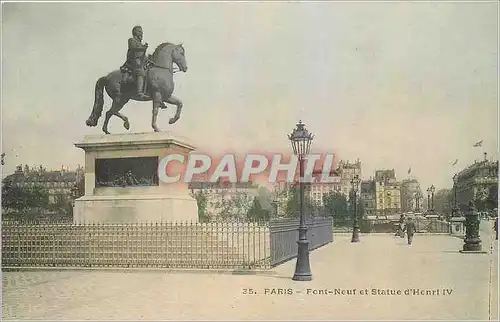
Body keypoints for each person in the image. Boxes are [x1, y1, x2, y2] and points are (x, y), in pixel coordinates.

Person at [122, 25, 149, 98]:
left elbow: (143, 56)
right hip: (133, 63)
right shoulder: (131, 40)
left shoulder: (140, 44)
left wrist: (149, 60)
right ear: (135, 32)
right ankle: (139, 92)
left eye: (142, 32)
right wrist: (143, 48)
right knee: (140, 72)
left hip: (140, 63)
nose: (141, 34)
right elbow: (134, 48)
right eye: (139, 32)